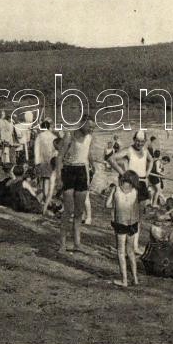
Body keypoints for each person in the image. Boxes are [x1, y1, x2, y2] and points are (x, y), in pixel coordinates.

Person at [108, 130, 154, 255]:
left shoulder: (145, 151)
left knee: (138, 217)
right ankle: (121, 246)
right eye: (137, 141)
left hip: (142, 183)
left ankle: (135, 246)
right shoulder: (128, 150)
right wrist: (124, 174)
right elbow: (111, 159)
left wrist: (148, 173)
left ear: (145, 142)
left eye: (142, 141)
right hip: (131, 184)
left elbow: (151, 160)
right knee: (125, 216)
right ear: (134, 140)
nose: (139, 143)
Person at [55, 117, 96, 252]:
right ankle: (62, 244)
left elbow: (88, 152)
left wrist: (93, 165)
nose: (91, 129)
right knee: (68, 210)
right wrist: (59, 178)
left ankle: (77, 243)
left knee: (79, 211)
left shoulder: (89, 137)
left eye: (93, 127)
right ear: (82, 124)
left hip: (82, 171)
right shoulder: (69, 135)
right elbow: (59, 157)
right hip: (69, 170)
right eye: (90, 127)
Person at [106, 170, 141, 287]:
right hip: (132, 224)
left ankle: (124, 280)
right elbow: (136, 209)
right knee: (130, 251)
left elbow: (107, 204)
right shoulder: (135, 191)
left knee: (121, 252)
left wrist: (115, 204)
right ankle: (135, 278)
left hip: (120, 223)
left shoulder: (116, 189)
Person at [33, 119, 57, 214]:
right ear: (49, 127)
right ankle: (45, 202)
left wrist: (36, 162)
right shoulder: (54, 137)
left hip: (41, 162)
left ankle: (44, 201)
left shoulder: (39, 136)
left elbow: (36, 150)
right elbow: (56, 152)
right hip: (50, 162)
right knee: (47, 182)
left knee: (42, 182)